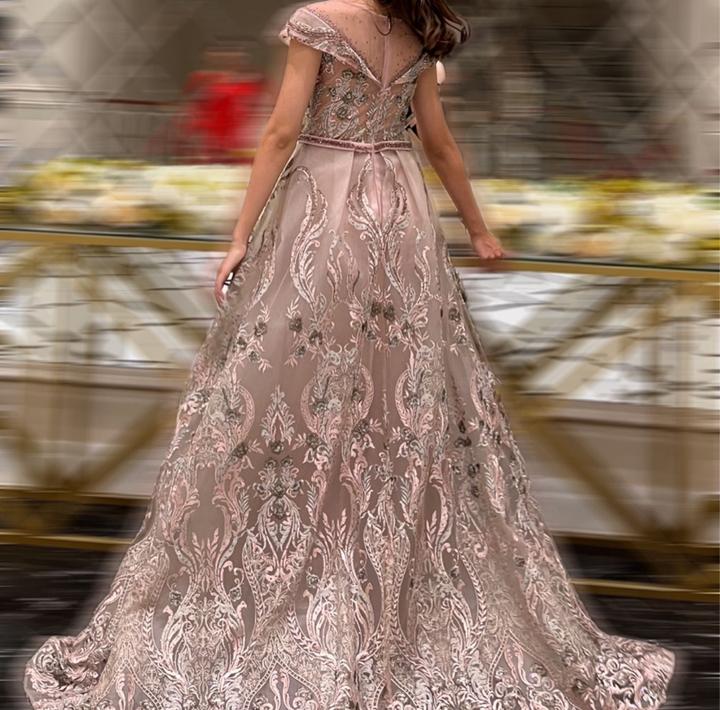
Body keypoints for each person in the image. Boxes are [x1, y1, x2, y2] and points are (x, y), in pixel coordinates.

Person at [24, 1, 677, 708]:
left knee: (284, 390)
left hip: (324, 213)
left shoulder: (317, 22)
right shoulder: (419, 31)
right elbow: (440, 145)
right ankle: (382, 574)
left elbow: (281, 132)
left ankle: (285, 569)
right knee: (403, 400)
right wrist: (479, 231)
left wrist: (239, 237)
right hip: (401, 219)